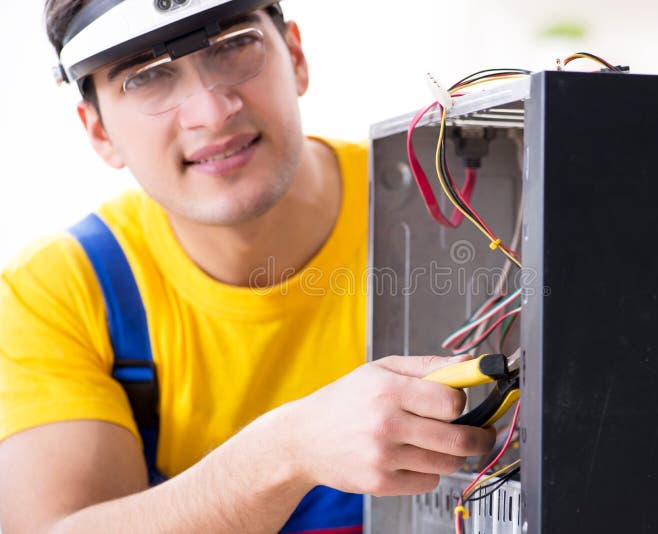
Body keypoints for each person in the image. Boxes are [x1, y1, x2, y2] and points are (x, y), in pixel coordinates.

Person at [0, 0, 495, 532]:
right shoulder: (58, 293)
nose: (212, 113)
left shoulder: (473, 218)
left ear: (297, 58)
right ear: (98, 131)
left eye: (234, 45)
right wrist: (284, 453)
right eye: (147, 78)